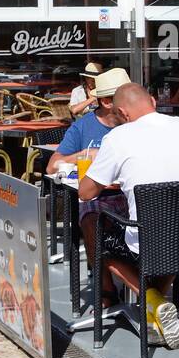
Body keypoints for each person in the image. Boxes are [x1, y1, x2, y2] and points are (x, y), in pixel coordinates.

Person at [79, 83, 179, 349]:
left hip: (154, 243)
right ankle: (155, 314)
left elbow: (85, 192)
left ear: (122, 113)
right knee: (168, 234)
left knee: (91, 218)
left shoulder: (118, 138)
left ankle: (153, 300)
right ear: (153, 100)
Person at [47, 68, 130, 309]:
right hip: (100, 195)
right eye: (123, 96)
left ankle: (151, 287)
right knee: (90, 216)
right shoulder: (84, 127)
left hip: (133, 194)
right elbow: (53, 166)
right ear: (106, 101)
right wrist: (86, 154)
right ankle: (107, 287)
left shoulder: (137, 123)